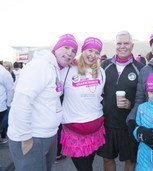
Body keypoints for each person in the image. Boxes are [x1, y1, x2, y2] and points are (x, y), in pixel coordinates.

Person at [7, 33, 78, 171]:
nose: (70, 53)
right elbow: (21, 102)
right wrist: (26, 137)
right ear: (56, 48)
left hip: (47, 135)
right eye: (66, 47)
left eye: (73, 51)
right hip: (32, 136)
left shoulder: (55, 68)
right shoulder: (40, 66)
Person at [97, 31, 144, 171]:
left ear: (132, 45)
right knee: (107, 158)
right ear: (115, 45)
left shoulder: (140, 68)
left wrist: (130, 104)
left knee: (130, 160)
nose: (122, 46)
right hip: (108, 123)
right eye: (119, 43)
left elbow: (144, 97)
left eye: (126, 43)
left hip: (129, 124)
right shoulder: (104, 65)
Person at [60, 37, 106, 171]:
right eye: (90, 50)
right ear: (83, 50)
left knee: (89, 165)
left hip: (96, 130)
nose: (93, 55)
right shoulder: (67, 70)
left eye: (97, 52)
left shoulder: (101, 73)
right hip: (75, 131)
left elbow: (100, 97)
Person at [0, 64, 14, 144]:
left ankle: (3, 136)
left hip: (1, 106)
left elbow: (10, 89)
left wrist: (8, 104)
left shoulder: (4, 73)